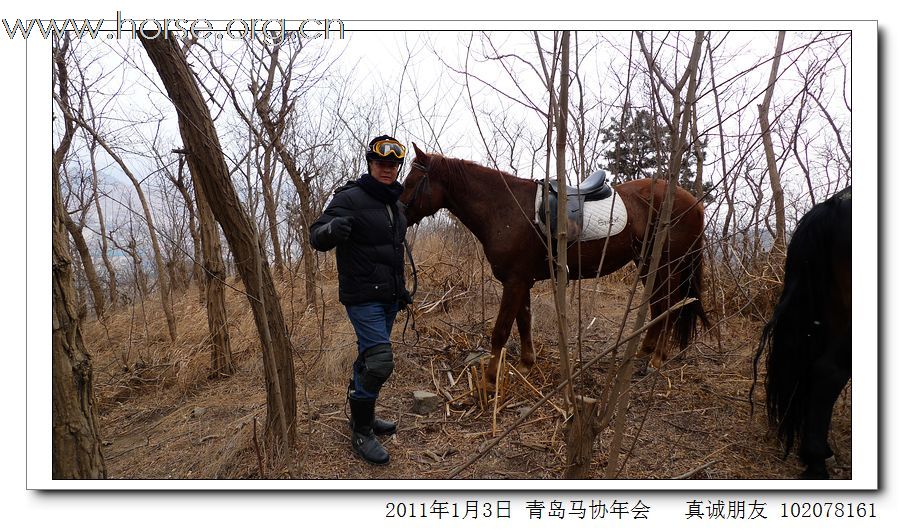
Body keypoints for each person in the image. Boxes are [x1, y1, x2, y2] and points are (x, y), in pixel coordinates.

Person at [309, 135, 412, 465]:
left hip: (389, 297)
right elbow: (317, 234)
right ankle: (362, 432)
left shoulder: (396, 203)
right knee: (381, 361)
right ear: (370, 164)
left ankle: (360, 417)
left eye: (393, 165)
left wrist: (402, 290)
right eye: (381, 164)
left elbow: (393, 253)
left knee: (369, 358)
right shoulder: (351, 197)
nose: (387, 170)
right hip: (362, 296)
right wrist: (333, 229)